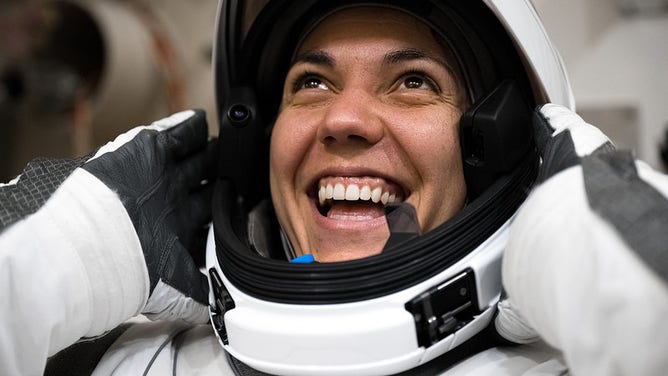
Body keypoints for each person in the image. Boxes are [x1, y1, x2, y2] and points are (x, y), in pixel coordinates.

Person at [1, 1, 666, 375]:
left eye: (413, 81)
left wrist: (599, 254)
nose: (343, 119)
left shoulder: (582, 359)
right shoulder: (125, 363)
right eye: (311, 83)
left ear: (496, 145)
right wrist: (66, 247)